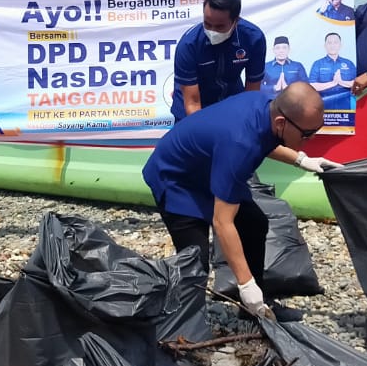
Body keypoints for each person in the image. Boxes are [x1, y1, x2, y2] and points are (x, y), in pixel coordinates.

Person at [143, 83, 338, 316]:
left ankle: (254, 308)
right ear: (281, 123)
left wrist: (301, 160)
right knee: (194, 261)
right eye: (307, 135)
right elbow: (222, 223)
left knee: (255, 223)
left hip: (211, 164)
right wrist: (245, 284)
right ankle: (183, 323)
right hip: (175, 177)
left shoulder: (266, 109)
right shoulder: (240, 144)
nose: (311, 139)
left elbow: (263, 141)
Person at [171, 0, 265, 121]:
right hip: (192, 110)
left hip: (231, 105)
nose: (212, 31)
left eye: (220, 26)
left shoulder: (253, 38)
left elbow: (252, 92)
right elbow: (192, 103)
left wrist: (245, 125)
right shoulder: (188, 45)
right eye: (207, 24)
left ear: (236, 21)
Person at [308, 32, 356, 110]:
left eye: (335, 42)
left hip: (344, 106)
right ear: (325, 46)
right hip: (322, 106)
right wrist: (333, 83)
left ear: (340, 45)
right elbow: (312, 86)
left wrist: (341, 82)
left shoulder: (349, 63)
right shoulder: (317, 64)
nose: (332, 45)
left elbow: (356, 83)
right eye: (329, 43)